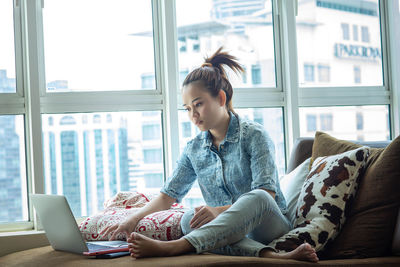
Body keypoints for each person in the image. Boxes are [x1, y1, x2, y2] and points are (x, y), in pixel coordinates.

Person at [101, 47, 318, 262]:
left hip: (267, 225)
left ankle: (175, 247)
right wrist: (132, 220)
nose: (193, 115)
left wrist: (217, 211)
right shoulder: (194, 149)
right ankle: (274, 256)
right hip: (224, 233)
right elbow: (168, 196)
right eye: (187, 108)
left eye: (198, 104)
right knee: (188, 220)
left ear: (221, 98)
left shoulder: (254, 135)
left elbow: (267, 194)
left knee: (257, 196)